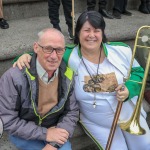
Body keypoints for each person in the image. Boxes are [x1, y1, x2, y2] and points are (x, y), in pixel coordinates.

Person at [13, 11, 150, 149]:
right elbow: (43, 55)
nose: (91, 35)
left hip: (129, 115)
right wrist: (25, 56)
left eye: (97, 30)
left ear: (102, 33)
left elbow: (138, 72)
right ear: (78, 33)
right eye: (86, 30)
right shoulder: (68, 55)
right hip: (97, 122)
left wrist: (129, 89)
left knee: (145, 146)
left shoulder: (121, 50)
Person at [0, 28, 79, 150]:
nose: (53, 56)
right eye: (48, 49)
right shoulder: (14, 77)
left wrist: (54, 143)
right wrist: (45, 133)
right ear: (36, 48)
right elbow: (8, 119)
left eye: (59, 50)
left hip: (55, 128)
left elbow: (72, 112)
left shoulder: (68, 75)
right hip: (23, 132)